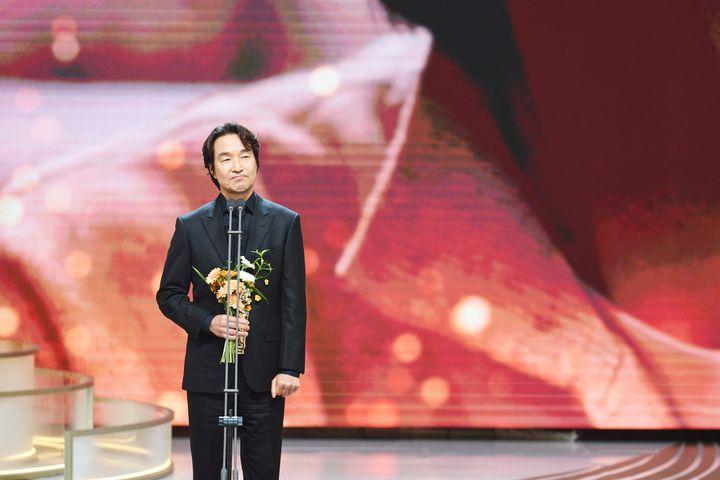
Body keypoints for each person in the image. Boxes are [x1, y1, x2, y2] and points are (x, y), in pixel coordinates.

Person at [156, 122, 306, 479]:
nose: (237, 166)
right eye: (226, 159)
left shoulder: (285, 223)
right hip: (209, 371)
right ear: (211, 169)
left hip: (264, 375)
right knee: (209, 472)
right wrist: (208, 322)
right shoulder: (191, 226)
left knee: (263, 472)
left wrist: (289, 368)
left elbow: (293, 302)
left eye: (245, 156)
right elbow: (169, 295)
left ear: (256, 161)